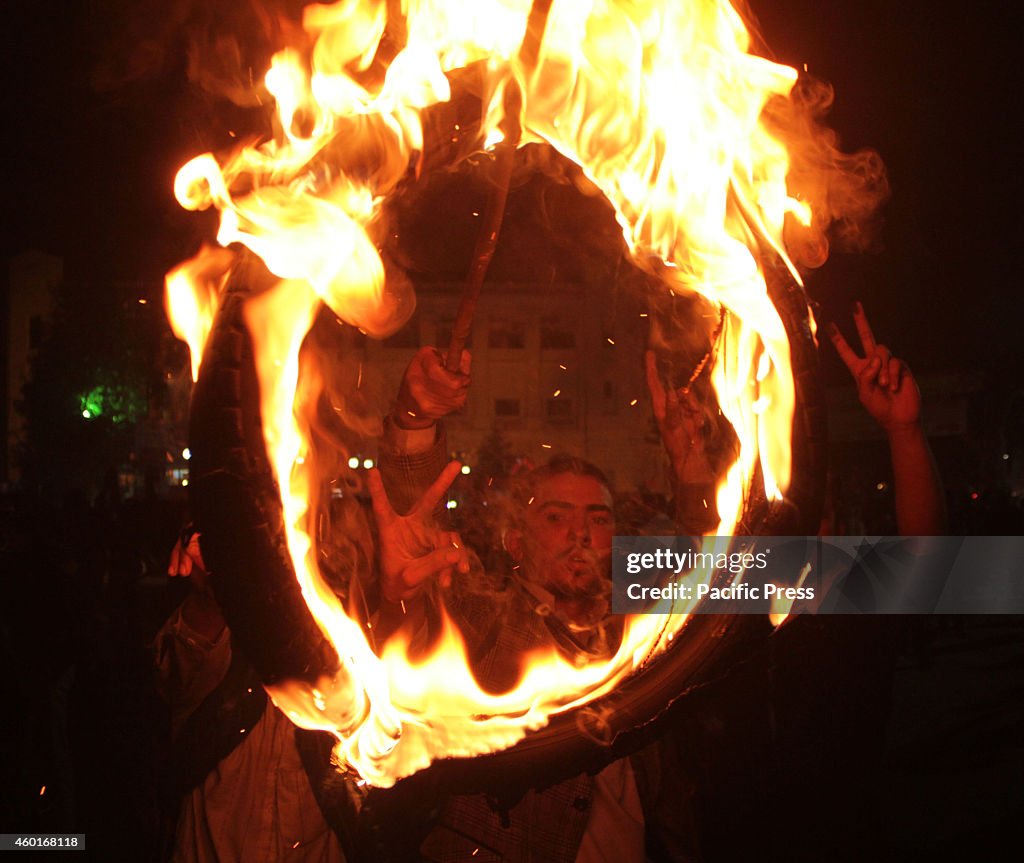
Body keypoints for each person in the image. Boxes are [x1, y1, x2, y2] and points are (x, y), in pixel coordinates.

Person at [367, 346, 706, 862]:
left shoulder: (642, 628)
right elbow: (416, 518)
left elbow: (738, 582)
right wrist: (417, 418)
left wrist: (691, 462)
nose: (579, 533)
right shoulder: (484, 617)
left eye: (597, 518)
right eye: (555, 516)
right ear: (516, 542)